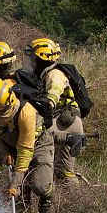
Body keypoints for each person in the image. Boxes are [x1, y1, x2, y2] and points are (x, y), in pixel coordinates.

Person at [0, 78, 54, 213]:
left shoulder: (26, 112)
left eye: (2, 112)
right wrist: (4, 152)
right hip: (11, 141)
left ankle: (47, 196)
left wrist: (15, 183)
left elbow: (25, 150)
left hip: (38, 143)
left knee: (40, 186)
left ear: (10, 103)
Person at [25, 38, 83, 185]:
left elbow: (53, 95)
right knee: (59, 172)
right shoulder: (47, 74)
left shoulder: (54, 75)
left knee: (66, 173)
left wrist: (47, 106)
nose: (31, 63)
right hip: (62, 122)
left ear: (42, 59)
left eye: (33, 59)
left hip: (67, 124)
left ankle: (71, 139)